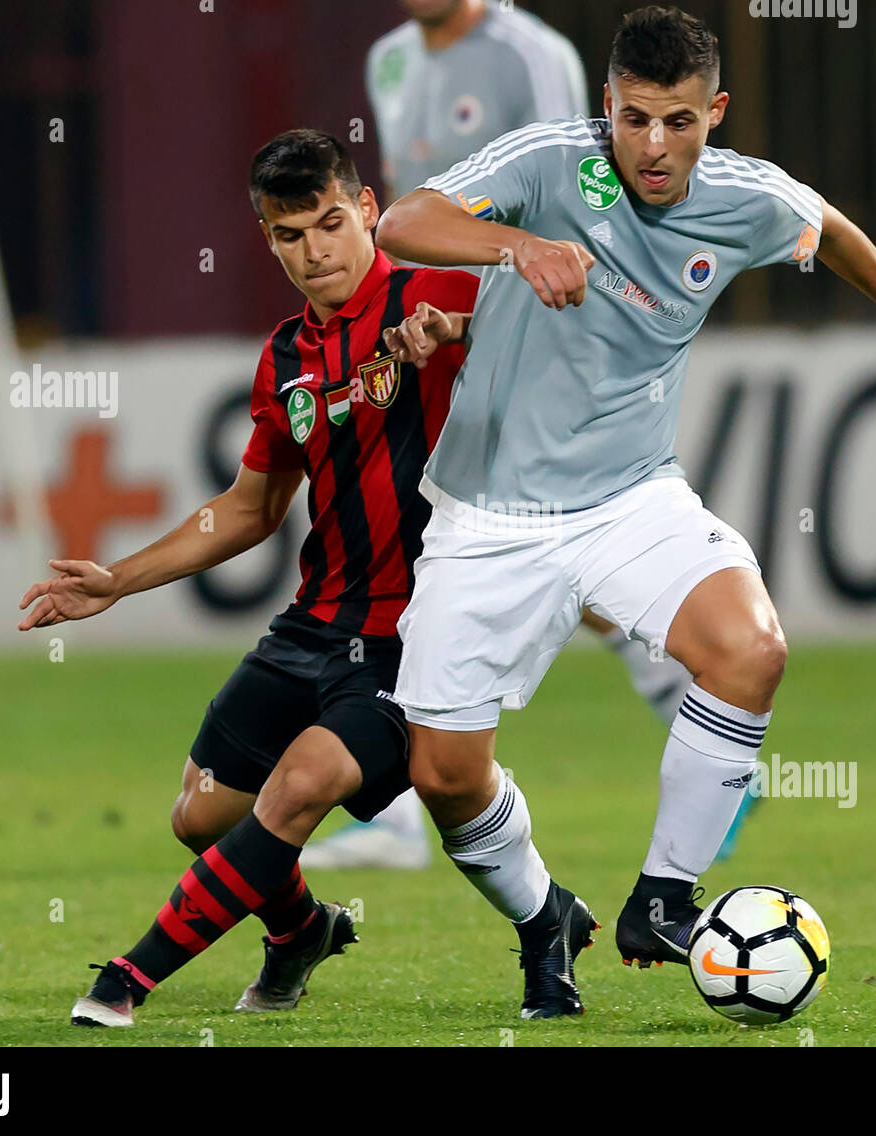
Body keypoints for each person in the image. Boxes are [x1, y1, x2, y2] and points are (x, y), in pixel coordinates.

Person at [374, 4, 876, 1018]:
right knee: (445, 775)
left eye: (678, 121)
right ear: (607, 105)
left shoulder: (743, 197)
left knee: (751, 650)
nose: (653, 144)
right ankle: (544, 911)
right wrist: (515, 247)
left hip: (631, 495)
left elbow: (826, 225)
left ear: (713, 114)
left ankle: (662, 897)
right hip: (488, 514)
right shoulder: (549, 160)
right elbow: (399, 222)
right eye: (634, 118)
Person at [16, 129, 479, 1025]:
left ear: (370, 213)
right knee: (198, 815)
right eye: (289, 234)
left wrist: (463, 330)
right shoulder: (285, 359)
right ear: (267, 238)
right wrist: (117, 579)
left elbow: (552, 329)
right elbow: (248, 510)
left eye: (332, 223)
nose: (316, 252)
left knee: (298, 787)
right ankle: (301, 930)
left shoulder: (440, 292)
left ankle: (128, 980)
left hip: (415, 628)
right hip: (316, 617)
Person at [304, 0, 703, 872]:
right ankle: (410, 793)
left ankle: (682, 698)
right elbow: (410, 215)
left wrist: (494, 323)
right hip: (421, 327)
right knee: (427, 537)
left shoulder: (531, 54)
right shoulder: (391, 60)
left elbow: (583, 201)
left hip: (519, 330)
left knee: (549, 539)